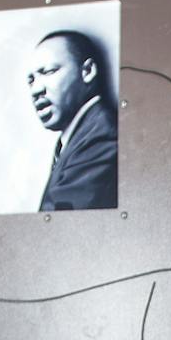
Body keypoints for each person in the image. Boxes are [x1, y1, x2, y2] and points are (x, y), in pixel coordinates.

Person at [27, 29, 118, 211]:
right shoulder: (82, 135)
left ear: (87, 71)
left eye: (49, 71)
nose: (36, 90)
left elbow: (60, 222)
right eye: (31, 80)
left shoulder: (102, 135)